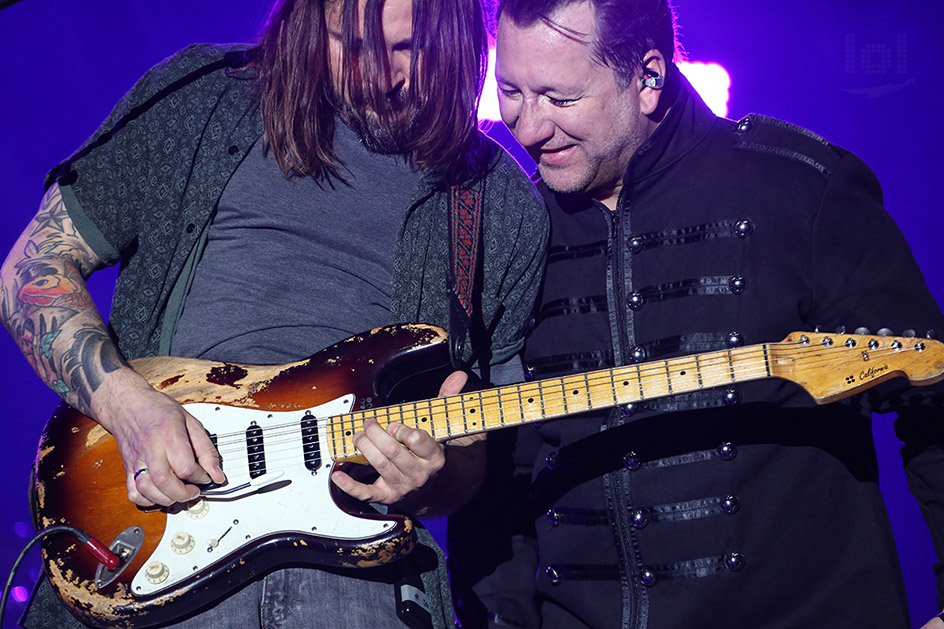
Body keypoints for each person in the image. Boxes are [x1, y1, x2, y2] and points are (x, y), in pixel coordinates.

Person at [0, 0, 548, 627]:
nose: (376, 77)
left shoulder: (498, 202)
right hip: (155, 536)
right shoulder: (203, 102)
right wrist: (128, 407)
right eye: (351, 43)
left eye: (406, 50)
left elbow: (479, 449)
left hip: (357, 578)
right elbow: (31, 270)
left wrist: (432, 478)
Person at [446, 0, 944, 627]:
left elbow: (935, 399)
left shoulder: (800, 188)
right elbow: (497, 482)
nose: (527, 127)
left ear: (648, 77)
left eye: (559, 98)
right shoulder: (508, 233)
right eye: (510, 91)